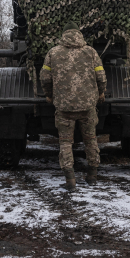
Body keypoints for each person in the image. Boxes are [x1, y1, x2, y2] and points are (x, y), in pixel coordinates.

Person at [40, 22, 107, 191]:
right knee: (91, 140)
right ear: (79, 34)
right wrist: (100, 93)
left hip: (64, 107)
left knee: (65, 143)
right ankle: (92, 175)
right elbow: (101, 75)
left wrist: (49, 94)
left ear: (63, 35)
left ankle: (70, 179)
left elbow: (45, 78)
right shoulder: (90, 52)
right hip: (87, 106)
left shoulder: (53, 53)